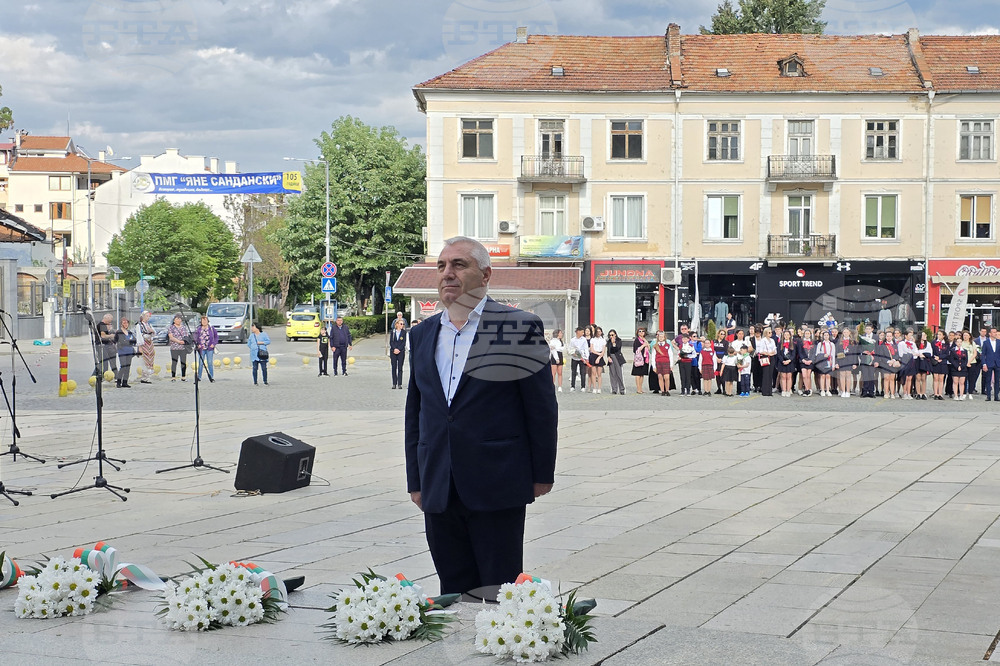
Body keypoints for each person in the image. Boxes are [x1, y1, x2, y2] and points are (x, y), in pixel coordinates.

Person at [404, 236, 557, 596]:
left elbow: (541, 408)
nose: (447, 274)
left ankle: (496, 645)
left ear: (485, 274)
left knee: (498, 587)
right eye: (441, 266)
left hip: (497, 480)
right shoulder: (422, 334)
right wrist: (416, 478)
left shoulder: (518, 327)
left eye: (459, 264)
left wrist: (540, 474)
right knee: (452, 587)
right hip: (438, 482)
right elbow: (417, 410)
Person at [113, 318, 136, 388]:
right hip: (122, 351)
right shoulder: (118, 332)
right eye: (124, 323)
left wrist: (128, 341)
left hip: (129, 351)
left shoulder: (129, 332)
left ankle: (125, 382)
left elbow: (134, 340)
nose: (125, 324)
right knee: (123, 366)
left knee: (128, 367)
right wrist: (129, 341)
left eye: (126, 323)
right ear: (121, 324)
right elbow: (119, 341)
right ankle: (119, 382)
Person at [194, 315, 218, 382]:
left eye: (205, 320)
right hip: (201, 348)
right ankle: (199, 377)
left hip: (209, 348)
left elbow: (216, 337)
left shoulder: (211, 328)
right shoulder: (198, 329)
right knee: (200, 363)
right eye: (203, 320)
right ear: (201, 322)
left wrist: (213, 344)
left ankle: (211, 376)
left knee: (210, 362)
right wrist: (197, 344)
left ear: (208, 321)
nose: (204, 322)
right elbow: (195, 337)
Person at [835, 328, 857, 398]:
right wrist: (836, 362)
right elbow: (836, 353)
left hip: (850, 360)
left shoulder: (853, 342)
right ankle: (843, 391)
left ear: (849, 333)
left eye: (847, 332)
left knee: (848, 376)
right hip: (841, 360)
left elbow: (855, 353)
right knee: (842, 376)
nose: (846, 333)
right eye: (844, 332)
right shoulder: (839, 341)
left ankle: (848, 391)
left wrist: (855, 363)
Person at [167, 314, 189, 382]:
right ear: (174, 320)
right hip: (174, 347)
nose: (178, 320)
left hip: (183, 347)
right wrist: (178, 341)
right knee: (174, 362)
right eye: (177, 319)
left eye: (179, 319)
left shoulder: (184, 327)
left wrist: (184, 341)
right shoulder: (171, 327)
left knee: (183, 362)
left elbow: (187, 335)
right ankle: (173, 377)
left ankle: (183, 376)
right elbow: (171, 337)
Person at [248, 322, 270, 386]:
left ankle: (265, 381)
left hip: (262, 354)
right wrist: (253, 348)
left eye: (253, 326)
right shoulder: (251, 335)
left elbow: (268, 341)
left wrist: (262, 343)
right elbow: (249, 344)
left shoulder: (264, 334)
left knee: (264, 368)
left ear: (257, 327)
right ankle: (255, 382)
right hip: (254, 354)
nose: (252, 328)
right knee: (254, 368)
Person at [813, 329, 835, 396]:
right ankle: (822, 390)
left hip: (829, 361)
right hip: (822, 362)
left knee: (828, 376)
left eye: (827, 335)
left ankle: (828, 390)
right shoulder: (820, 344)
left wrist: (833, 364)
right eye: (824, 335)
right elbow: (817, 353)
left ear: (829, 336)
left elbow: (833, 354)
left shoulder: (832, 344)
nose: (826, 336)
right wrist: (823, 355)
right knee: (822, 376)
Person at [757, 326, 777, 396]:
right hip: (766, 357)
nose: (770, 333)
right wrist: (768, 353)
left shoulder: (772, 340)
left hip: (772, 357)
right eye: (769, 332)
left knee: (770, 374)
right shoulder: (763, 340)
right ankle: (765, 391)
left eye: (771, 332)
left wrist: (772, 353)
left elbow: (775, 349)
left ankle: (769, 391)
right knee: (766, 374)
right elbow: (761, 350)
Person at [136, 310, 155, 384]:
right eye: (147, 316)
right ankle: (144, 377)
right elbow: (139, 336)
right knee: (144, 360)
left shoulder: (149, 325)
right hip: (143, 344)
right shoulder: (139, 325)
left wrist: (152, 331)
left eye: (149, 316)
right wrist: (140, 346)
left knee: (150, 359)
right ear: (143, 317)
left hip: (149, 343)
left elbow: (154, 333)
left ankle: (147, 377)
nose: (148, 318)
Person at [777, 329, 797, 396]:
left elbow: (794, 354)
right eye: (785, 335)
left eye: (787, 335)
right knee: (783, 376)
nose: (786, 336)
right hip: (782, 362)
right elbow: (779, 354)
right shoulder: (780, 344)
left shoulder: (793, 344)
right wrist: (782, 360)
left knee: (789, 377)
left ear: (790, 336)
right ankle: (784, 390)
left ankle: (788, 390)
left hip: (790, 362)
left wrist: (789, 360)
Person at [930, 329, 949, 400]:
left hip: (943, 362)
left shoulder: (946, 343)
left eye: (940, 334)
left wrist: (940, 357)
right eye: (938, 334)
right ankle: (935, 393)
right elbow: (931, 352)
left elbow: (947, 353)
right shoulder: (933, 342)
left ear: (943, 336)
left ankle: (940, 393)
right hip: (935, 362)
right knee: (935, 378)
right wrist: (936, 358)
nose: (938, 336)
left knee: (941, 379)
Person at [568, 327, 589, 392]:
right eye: (582, 332)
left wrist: (586, 357)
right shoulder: (572, 340)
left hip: (582, 358)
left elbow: (586, 348)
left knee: (583, 372)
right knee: (573, 372)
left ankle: (583, 386)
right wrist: (572, 353)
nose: (583, 333)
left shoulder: (584, 340)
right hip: (574, 358)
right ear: (577, 332)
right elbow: (570, 348)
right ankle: (572, 386)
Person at [652, 331, 672, 396]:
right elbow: (653, 356)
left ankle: (667, 390)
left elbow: (670, 355)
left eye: (662, 337)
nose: (661, 338)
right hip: (658, 363)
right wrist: (654, 366)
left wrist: (671, 365)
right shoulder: (655, 346)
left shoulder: (667, 346)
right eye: (659, 337)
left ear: (664, 337)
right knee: (660, 376)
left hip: (666, 362)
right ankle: (662, 390)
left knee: (666, 377)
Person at [606, 329, 626, 395]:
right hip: (611, 357)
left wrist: (614, 343)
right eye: (610, 335)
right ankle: (614, 389)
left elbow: (617, 349)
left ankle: (622, 389)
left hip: (617, 357)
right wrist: (608, 357)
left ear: (615, 334)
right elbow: (608, 350)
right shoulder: (608, 342)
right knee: (612, 373)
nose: (611, 336)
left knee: (619, 373)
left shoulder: (618, 341)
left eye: (612, 335)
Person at [950, 334, 970, 401]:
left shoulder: (964, 351)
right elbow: (952, 360)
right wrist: (957, 366)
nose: (959, 343)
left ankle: (961, 395)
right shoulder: (952, 350)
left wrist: (961, 366)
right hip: (954, 368)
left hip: (963, 368)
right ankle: (955, 395)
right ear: (955, 343)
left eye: (960, 342)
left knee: (962, 382)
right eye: (958, 342)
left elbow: (966, 360)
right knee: (955, 382)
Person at [960, 330, 979, 399]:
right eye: (964, 335)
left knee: (971, 378)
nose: (965, 336)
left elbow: (975, 353)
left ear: (969, 336)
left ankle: (970, 392)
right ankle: (964, 392)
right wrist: (966, 362)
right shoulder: (961, 343)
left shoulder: (972, 343)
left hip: (972, 362)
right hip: (963, 363)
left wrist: (969, 361)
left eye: (966, 335)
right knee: (964, 378)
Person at [389, 317, 407, 388]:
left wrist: (399, 349)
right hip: (393, 351)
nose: (402, 325)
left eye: (403, 324)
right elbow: (391, 342)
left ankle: (399, 383)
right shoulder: (393, 332)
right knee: (394, 367)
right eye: (401, 324)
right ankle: (394, 383)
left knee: (400, 367)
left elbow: (404, 342)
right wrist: (394, 349)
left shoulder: (404, 332)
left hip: (401, 351)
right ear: (397, 324)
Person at [631, 328, 650, 394]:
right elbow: (635, 350)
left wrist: (646, 342)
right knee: (638, 374)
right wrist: (643, 345)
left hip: (645, 358)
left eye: (643, 331)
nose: (641, 332)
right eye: (640, 331)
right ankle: (638, 388)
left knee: (642, 374)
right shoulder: (637, 340)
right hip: (639, 359)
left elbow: (649, 348)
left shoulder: (645, 340)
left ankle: (641, 388)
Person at [588, 325, 607, 393]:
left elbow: (603, 350)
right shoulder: (592, 339)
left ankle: (599, 388)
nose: (598, 333)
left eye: (600, 331)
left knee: (599, 373)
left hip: (600, 356)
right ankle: (594, 388)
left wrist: (599, 357)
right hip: (594, 355)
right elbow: (592, 349)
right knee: (593, 373)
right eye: (597, 331)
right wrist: (598, 354)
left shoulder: (603, 340)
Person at [797, 329, 815, 396]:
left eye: (808, 333)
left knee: (808, 375)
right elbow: (799, 352)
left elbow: (814, 353)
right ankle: (807, 389)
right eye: (806, 333)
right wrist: (803, 360)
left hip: (810, 361)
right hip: (803, 361)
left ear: (810, 334)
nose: (807, 335)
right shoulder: (801, 342)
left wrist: (811, 360)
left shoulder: (813, 342)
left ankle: (808, 389)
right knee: (804, 375)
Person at [984, 328, 1000, 402]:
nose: (995, 333)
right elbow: (983, 354)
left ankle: (996, 396)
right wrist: (984, 364)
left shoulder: (999, 342)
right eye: (993, 332)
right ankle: (988, 396)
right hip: (989, 363)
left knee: (997, 380)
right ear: (990, 334)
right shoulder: (986, 342)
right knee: (988, 380)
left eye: (995, 332)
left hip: (997, 363)